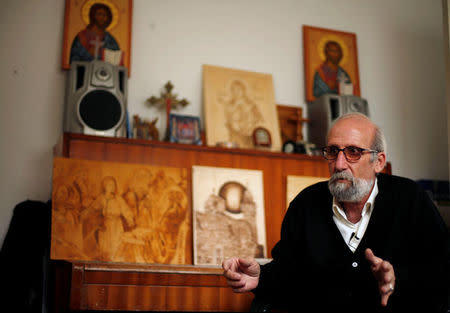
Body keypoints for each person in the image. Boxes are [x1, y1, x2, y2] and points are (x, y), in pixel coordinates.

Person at [222, 113, 449, 313]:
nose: (339, 164)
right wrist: (261, 277)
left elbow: (442, 271)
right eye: (332, 151)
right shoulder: (305, 204)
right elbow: (288, 274)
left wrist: (397, 278)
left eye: (353, 152)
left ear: (378, 161)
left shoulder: (410, 199)